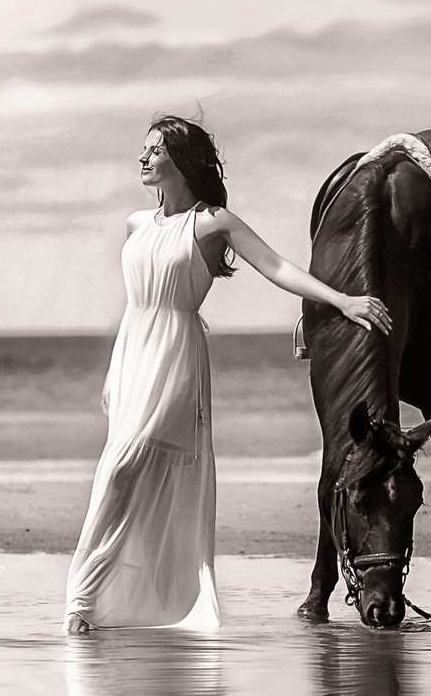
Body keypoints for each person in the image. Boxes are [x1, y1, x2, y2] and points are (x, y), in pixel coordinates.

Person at [65, 116, 392, 633]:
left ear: (182, 159)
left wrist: (342, 300)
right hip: (132, 355)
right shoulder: (135, 223)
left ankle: (79, 604)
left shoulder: (213, 222)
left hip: (177, 355)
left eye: (155, 150)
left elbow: (277, 266)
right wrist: (111, 374)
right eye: (144, 149)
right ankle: (105, 604)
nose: (144, 159)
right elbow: (134, 305)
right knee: (120, 469)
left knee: (123, 466)